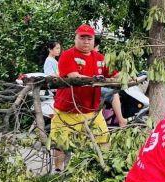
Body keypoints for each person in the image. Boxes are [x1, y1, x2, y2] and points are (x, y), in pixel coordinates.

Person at [49, 24, 115, 172]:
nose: (86, 41)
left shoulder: (100, 58)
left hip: (91, 111)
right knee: (60, 144)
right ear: (75, 38)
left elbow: (113, 74)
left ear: (93, 41)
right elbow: (74, 77)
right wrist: (97, 79)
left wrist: (129, 77)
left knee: (104, 140)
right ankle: (57, 172)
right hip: (67, 109)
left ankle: (103, 169)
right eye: (82, 38)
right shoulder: (67, 55)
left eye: (89, 38)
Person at [94, 37, 128, 128]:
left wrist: (125, 74)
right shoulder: (96, 58)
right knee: (114, 94)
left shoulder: (99, 58)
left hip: (96, 86)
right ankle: (121, 120)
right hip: (90, 89)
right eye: (97, 48)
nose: (98, 50)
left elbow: (111, 73)